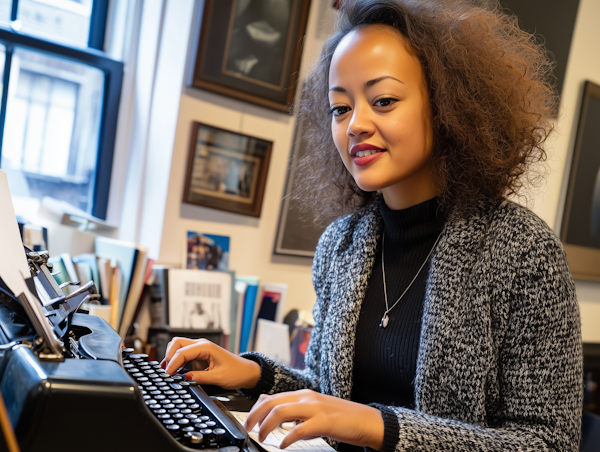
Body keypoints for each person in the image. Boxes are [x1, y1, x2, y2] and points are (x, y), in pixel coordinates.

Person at [161, 1, 583, 450]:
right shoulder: (340, 245)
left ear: (447, 105)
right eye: (340, 108)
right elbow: (333, 398)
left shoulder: (522, 251)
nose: (356, 125)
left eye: (383, 101)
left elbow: (549, 441)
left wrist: (380, 427)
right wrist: (256, 374)